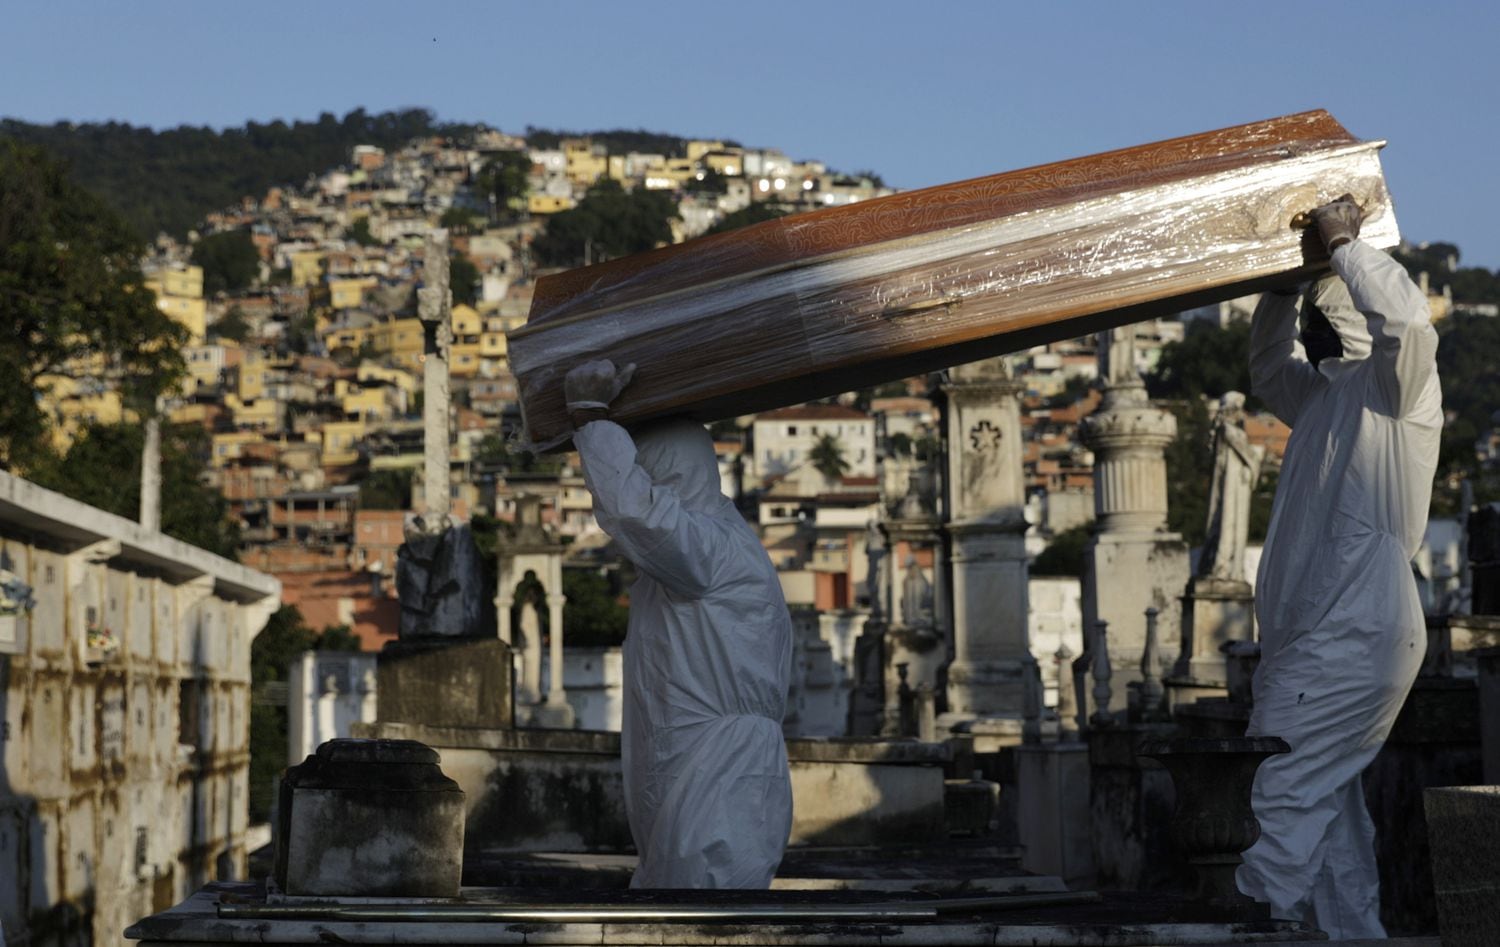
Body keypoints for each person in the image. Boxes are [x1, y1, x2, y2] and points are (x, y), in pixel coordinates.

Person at [1237, 195, 1442, 936]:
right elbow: (1267, 366)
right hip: (1319, 640)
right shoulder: (1322, 397)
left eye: (1333, 305)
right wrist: (1282, 286)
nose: (1319, 322)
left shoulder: (1397, 394)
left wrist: (1346, 247)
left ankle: (1263, 923)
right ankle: (1350, 934)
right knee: (1330, 821)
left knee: (1278, 797)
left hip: (1350, 639)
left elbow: (1408, 323)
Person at [562, 359, 794, 888]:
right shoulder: (720, 546)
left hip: (716, 774)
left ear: (668, 474)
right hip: (713, 764)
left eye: (649, 473)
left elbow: (635, 513)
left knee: (700, 910)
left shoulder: (706, 549)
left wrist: (591, 417)